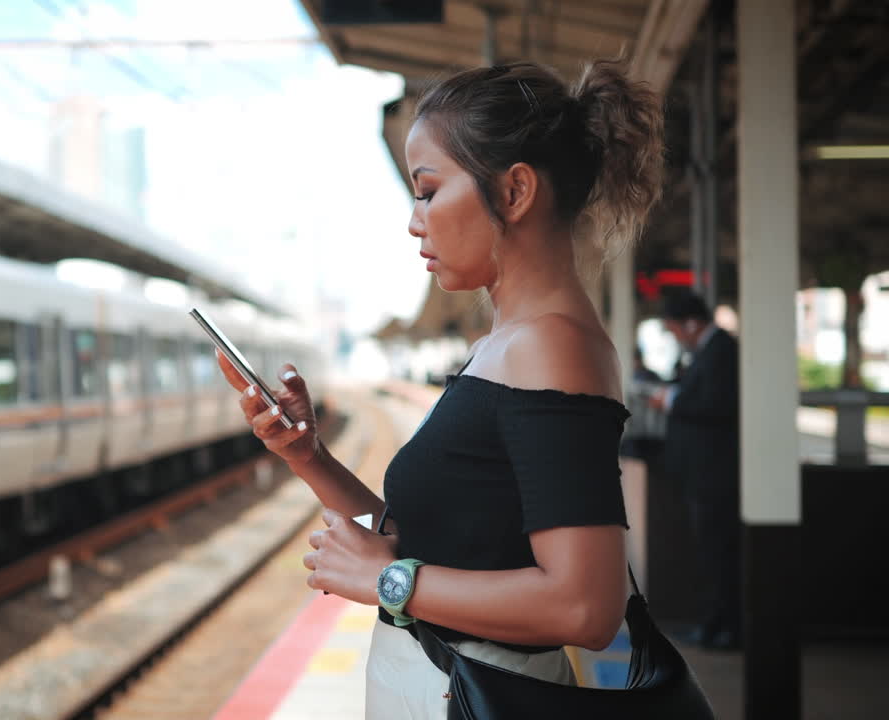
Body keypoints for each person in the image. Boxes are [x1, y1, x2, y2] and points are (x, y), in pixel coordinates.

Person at [217, 57, 665, 719]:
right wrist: (308, 457)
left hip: (478, 695)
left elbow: (584, 606)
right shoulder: (504, 346)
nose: (414, 220)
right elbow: (445, 539)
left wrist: (387, 581)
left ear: (514, 192)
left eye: (427, 191)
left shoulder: (552, 347)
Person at [647, 290, 741, 651]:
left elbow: (714, 405)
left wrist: (670, 400)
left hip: (715, 475)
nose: (674, 337)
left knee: (719, 553)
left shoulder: (722, 352)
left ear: (689, 322)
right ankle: (714, 623)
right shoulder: (711, 351)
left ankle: (725, 627)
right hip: (704, 474)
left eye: (673, 329)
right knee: (711, 553)